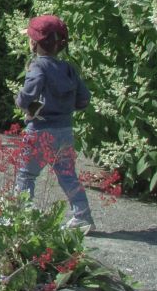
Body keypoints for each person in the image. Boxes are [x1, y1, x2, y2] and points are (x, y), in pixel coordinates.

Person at [14, 14, 96, 232]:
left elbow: (27, 95)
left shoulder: (37, 67)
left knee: (26, 174)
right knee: (68, 175)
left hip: (39, 131)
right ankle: (83, 217)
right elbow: (84, 99)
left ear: (34, 42)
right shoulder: (69, 69)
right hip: (64, 131)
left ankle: (22, 219)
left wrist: (21, 101)